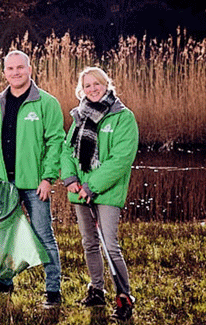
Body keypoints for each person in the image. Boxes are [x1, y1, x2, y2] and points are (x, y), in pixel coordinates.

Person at [0, 50, 65, 308]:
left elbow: (55, 142)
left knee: (43, 236)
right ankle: (5, 283)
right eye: (10, 69)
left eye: (20, 68)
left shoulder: (46, 103)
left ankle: (53, 290)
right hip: (3, 184)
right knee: (4, 234)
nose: (15, 72)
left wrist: (48, 178)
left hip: (34, 184)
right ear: (4, 72)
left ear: (30, 69)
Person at [62, 67, 137, 321]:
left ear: (106, 85)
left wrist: (91, 186)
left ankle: (124, 297)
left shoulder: (123, 117)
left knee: (110, 245)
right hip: (80, 191)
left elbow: (121, 160)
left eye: (97, 84)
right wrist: (70, 178)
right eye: (88, 85)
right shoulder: (80, 116)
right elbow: (67, 150)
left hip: (105, 192)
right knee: (89, 243)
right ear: (81, 90)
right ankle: (96, 290)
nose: (93, 89)